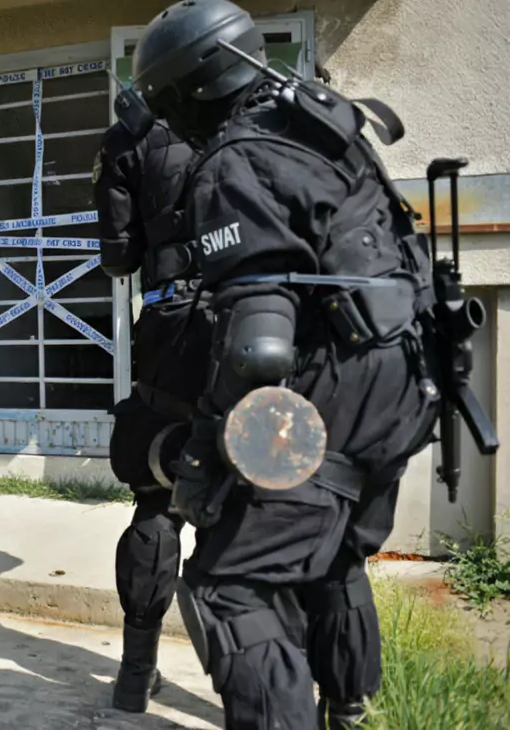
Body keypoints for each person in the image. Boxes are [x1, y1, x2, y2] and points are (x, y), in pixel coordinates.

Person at [131, 1, 441, 727]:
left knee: (231, 587)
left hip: (334, 390)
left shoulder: (234, 160)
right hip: (403, 380)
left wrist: (207, 455)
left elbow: (257, 348)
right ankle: (348, 709)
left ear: (190, 87)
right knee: (333, 554)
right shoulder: (320, 124)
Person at [95, 115, 214, 714]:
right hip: (267, 321)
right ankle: (257, 685)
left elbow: (118, 258)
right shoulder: (270, 121)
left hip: (173, 324)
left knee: (157, 498)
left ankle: (134, 678)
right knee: (253, 503)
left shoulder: (134, 137)